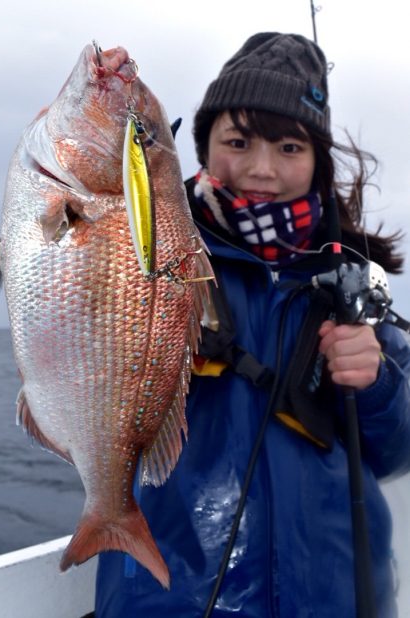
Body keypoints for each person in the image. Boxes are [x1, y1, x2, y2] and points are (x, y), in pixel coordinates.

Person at [95, 32, 410, 617]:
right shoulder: (153, 256)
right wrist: (105, 102)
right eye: (237, 141)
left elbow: (397, 451)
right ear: (203, 146)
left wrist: (378, 383)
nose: (262, 169)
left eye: (289, 148)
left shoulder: (348, 281)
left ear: (317, 160)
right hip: (173, 598)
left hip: (335, 598)